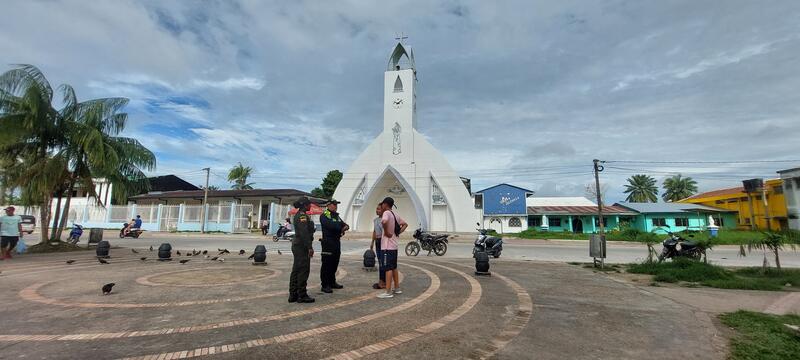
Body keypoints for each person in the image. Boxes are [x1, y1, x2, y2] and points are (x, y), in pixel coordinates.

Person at [378, 197, 407, 299]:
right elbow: (405, 224)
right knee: (394, 267)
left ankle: (388, 291)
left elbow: (384, 222)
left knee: (388, 268)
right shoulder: (395, 215)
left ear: (386, 204)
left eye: (383, 205)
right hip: (394, 246)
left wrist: (386, 232)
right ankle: (397, 288)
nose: (382, 206)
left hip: (387, 247)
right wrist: (398, 232)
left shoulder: (386, 213)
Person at [288, 197, 316, 304]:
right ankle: (302, 295)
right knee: (303, 270)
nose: (310, 206)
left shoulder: (300, 215)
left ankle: (293, 294)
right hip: (302, 246)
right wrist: (309, 247)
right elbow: (304, 233)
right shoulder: (302, 216)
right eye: (309, 204)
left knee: (296, 270)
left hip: (298, 245)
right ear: (305, 205)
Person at [319, 199, 349, 293]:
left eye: (336, 205)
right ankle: (325, 285)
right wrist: (341, 228)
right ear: (328, 205)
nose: (336, 206)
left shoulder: (336, 216)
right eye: (334, 204)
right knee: (326, 264)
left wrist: (341, 228)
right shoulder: (324, 215)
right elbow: (333, 227)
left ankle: (332, 282)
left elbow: (346, 226)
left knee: (334, 263)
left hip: (336, 242)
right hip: (327, 243)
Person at [370, 204, 385, 289]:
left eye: (379, 209)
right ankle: (381, 281)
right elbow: (374, 231)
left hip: (383, 241)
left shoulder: (384, 220)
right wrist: (372, 242)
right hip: (377, 242)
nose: (377, 210)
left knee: (383, 262)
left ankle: (382, 281)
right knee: (380, 261)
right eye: (376, 209)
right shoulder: (375, 220)